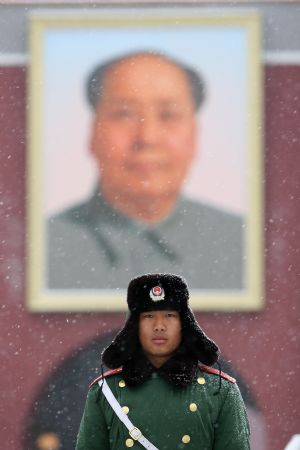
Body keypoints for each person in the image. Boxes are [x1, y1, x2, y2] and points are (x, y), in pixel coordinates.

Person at [48, 51, 244, 290]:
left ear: (195, 136)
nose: (148, 137)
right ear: (92, 133)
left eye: (168, 115)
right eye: (124, 114)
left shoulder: (243, 244)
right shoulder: (42, 247)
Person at [75, 273, 250, 449]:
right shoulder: (106, 392)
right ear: (135, 326)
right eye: (149, 316)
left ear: (184, 324)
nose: (159, 326)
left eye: (169, 315)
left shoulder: (220, 391)